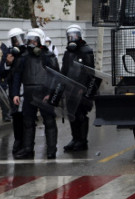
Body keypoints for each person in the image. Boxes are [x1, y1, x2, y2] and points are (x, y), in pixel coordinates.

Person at [12, 30, 60, 159]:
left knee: (49, 121)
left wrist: (51, 93)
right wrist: (15, 94)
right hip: (28, 93)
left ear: (40, 41)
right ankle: (28, 149)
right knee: (28, 122)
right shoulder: (23, 57)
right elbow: (17, 75)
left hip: (44, 93)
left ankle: (51, 150)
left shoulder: (48, 56)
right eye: (30, 40)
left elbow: (56, 76)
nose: (32, 43)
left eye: (35, 40)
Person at [61, 24, 96, 152]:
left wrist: (84, 87)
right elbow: (64, 70)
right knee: (72, 114)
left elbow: (89, 72)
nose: (72, 38)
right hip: (69, 89)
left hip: (81, 89)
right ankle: (75, 138)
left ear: (80, 36)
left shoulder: (86, 51)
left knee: (81, 114)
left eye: (74, 35)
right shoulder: (67, 53)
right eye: (70, 36)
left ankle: (82, 140)